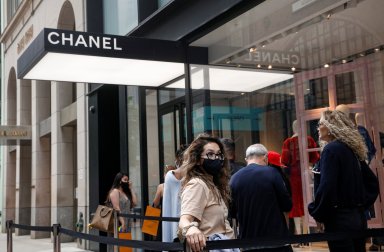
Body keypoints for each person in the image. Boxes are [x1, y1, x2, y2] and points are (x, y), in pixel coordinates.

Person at [308, 110, 378, 252]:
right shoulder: (350, 149)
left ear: (330, 127)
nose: (318, 128)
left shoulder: (331, 150)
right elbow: (371, 182)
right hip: (358, 218)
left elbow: (327, 187)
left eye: (320, 124)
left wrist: (318, 212)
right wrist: (361, 204)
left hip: (340, 219)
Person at [178, 134, 236, 252]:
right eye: (210, 154)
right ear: (198, 160)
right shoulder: (198, 184)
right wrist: (191, 229)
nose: (216, 158)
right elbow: (184, 219)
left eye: (219, 154)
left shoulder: (213, 184)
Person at [230, 144, 292, 252]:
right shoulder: (272, 173)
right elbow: (287, 205)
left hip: (248, 242)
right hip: (276, 240)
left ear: (246, 159)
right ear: (265, 157)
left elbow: (232, 212)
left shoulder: (234, 179)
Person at [281, 120, 320, 236]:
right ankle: (306, 231)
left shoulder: (288, 142)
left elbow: (284, 160)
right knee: (308, 199)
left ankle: (299, 233)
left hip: (294, 175)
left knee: (297, 201)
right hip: (307, 173)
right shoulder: (309, 140)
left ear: (293, 128)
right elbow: (315, 158)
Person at [162, 144, 189, 243]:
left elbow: (167, 205)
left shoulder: (170, 175)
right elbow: (167, 203)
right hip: (186, 221)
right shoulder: (170, 176)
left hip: (179, 221)